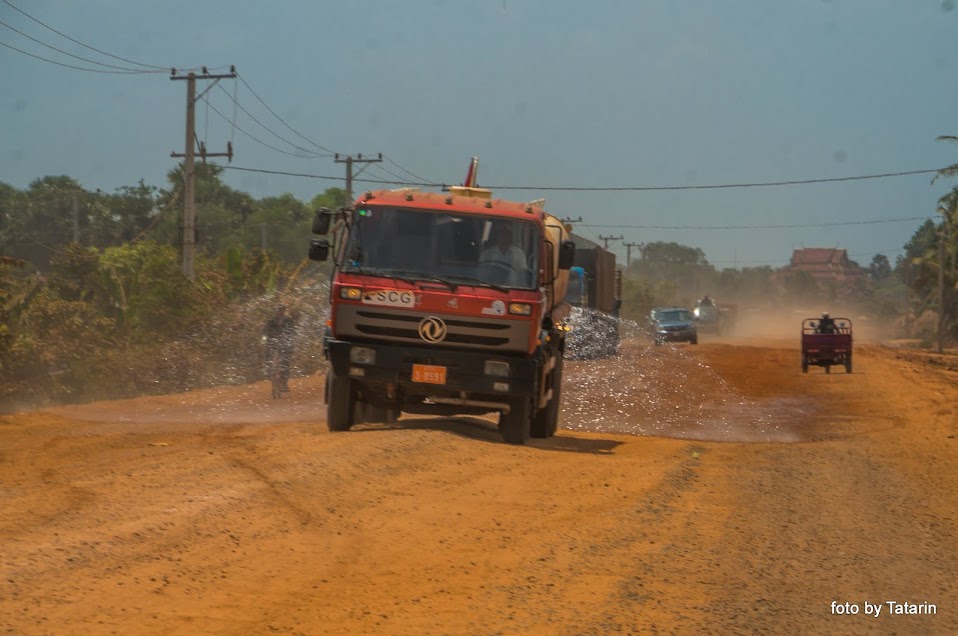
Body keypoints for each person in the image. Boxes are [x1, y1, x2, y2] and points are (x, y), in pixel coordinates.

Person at [263, 304, 295, 392]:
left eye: (281, 310)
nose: (279, 312)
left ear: (284, 311)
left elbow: (292, 333)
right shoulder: (270, 322)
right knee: (269, 358)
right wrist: (264, 339)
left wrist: (290, 341)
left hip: (284, 344)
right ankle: (268, 372)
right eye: (278, 310)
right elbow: (265, 332)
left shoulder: (289, 321)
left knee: (285, 362)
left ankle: (284, 383)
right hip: (272, 343)